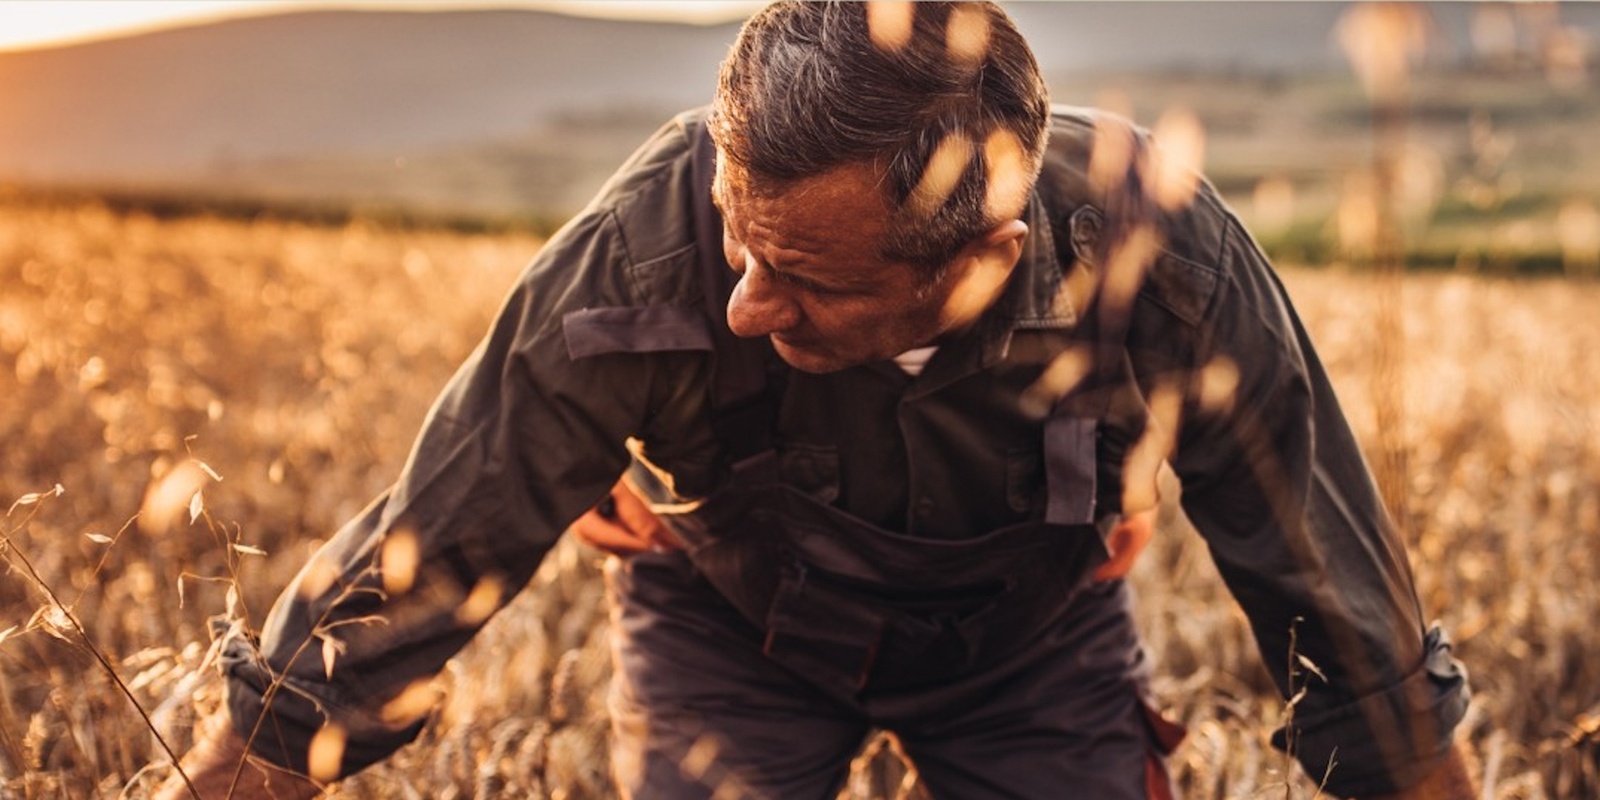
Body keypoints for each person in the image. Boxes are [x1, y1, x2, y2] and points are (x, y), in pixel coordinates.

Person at [155, 3, 1473, 798]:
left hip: (1032, 651)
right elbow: (395, 582)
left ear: (979, 265)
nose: (742, 305)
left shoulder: (1155, 250)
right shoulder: (639, 252)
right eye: (739, 242)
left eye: (804, 279)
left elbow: (1345, 624)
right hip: (726, 632)